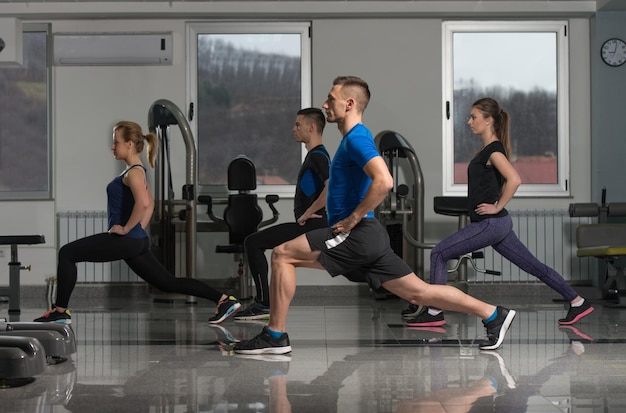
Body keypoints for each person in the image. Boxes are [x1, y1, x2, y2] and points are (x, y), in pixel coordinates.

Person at [233, 76, 517, 355]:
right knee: (420, 293)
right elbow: (335, 185)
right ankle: (493, 314)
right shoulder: (351, 140)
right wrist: (313, 210)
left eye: (331, 99)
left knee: (283, 254)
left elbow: (385, 180)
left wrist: (354, 218)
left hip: (357, 234)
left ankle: (274, 335)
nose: (325, 104)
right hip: (368, 237)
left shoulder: (357, 140)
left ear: (349, 103)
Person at [405, 97, 594, 328]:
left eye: (474, 117)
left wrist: (497, 206)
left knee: (439, 253)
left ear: (489, 120)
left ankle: (434, 312)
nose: (469, 121)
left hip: (491, 223)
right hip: (499, 225)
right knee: (533, 266)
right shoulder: (488, 149)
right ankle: (577, 301)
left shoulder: (493, 151)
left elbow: (514, 179)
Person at [34, 121, 241, 325]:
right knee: (168, 282)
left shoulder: (133, 172)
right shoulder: (137, 170)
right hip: (136, 241)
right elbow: (149, 204)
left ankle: (60, 311)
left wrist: (126, 228)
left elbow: (143, 203)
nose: (113, 146)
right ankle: (223, 300)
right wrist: (138, 229)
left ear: (130, 144)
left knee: (67, 253)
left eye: (116, 142)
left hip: (126, 240)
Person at [233, 108, 331, 320]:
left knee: (253, 243)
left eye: (298, 124)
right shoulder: (316, 155)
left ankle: (263, 303)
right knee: (357, 271)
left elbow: (330, 187)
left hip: (314, 226)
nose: (293, 128)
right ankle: (265, 303)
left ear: (311, 127)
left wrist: (308, 212)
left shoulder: (318, 156)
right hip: (313, 226)